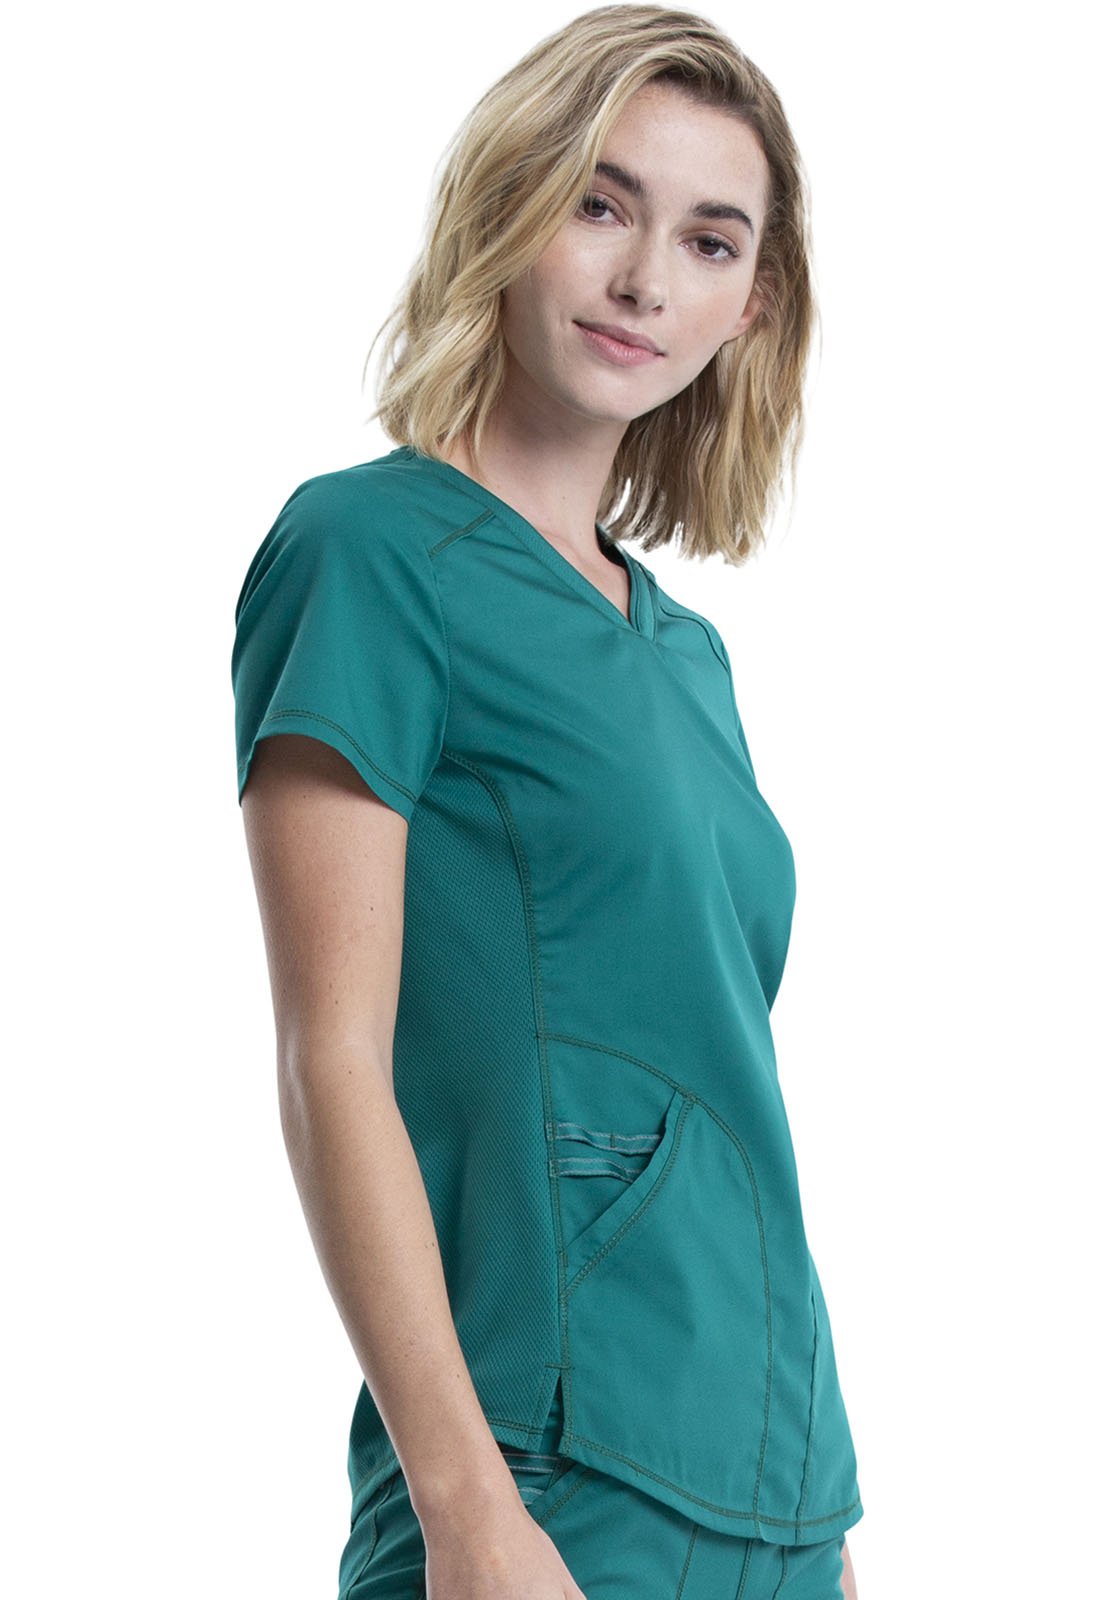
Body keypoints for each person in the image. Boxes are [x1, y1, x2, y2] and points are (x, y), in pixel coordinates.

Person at [231, 6, 864, 1597]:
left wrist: (824, 1526)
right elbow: (329, 1058)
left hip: (781, 1491)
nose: (647, 279)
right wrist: (465, 1508)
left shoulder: (690, 657)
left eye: (710, 241)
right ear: (511, 204)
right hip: (546, 1477)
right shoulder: (370, 555)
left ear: (752, 301)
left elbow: (728, 1091)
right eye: (601, 203)